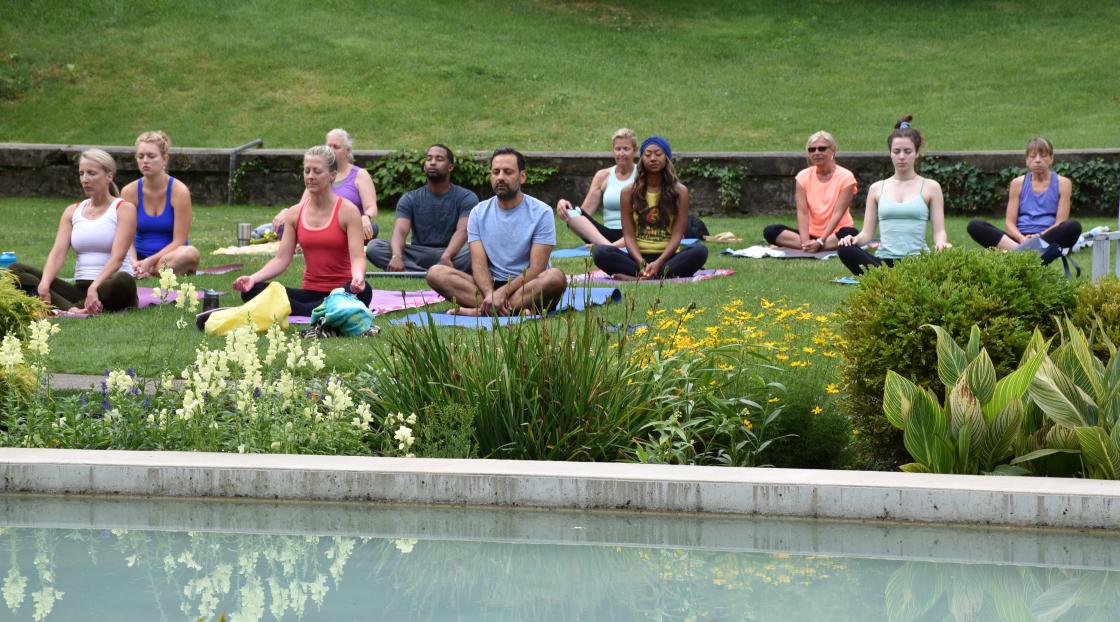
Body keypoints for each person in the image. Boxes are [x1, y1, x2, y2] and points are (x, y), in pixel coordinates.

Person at [233, 145, 371, 316]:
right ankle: (315, 310)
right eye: (307, 171)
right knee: (252, 290)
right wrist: (253, 278)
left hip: (342, 291)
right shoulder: (295, 213)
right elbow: (281, 259)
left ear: (332, 175)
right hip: (309, 293)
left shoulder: (348, 211)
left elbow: (357, 257)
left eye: (317, 171)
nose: (310, 176)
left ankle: (296, 310)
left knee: (364, 292)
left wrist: (358, 278)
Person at [426, 147, 566, 316]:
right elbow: (478, 266)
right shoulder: (478, 213)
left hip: (526, 286)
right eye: (495, 172)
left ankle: (481, 311)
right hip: (488, 288)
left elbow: (537, 269)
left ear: (522, 177)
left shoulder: (542, 212)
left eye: (508, 172)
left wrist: (503, 293)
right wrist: (491, 294)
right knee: (435, 273)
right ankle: (511, 309)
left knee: (555, 277)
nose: (500, 177)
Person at [9, 149, 137, 313]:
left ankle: (66, 307)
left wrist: (95, 287)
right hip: (80, 288)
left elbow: (118, 257)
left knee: (123, 280)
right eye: (81, 173)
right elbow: (57, 254)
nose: (85, 179)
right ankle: (74, 309)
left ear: (109, 176)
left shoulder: (124, 209)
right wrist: (45, 284)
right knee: (15, 269)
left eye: (91, 173)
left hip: (112, 285)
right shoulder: (72, 211)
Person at [837, 116, 950, 275]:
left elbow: (939, 231)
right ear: (890, 153)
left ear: (917, 153)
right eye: (896, 151)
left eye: (907, 151)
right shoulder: (877, 188)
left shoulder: (931, 187)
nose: (901, 157)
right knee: (845, 249)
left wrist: (941, 243)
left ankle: (890, 281)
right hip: (883, 262)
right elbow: (866, 234)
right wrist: (853, 240)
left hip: (918, 262)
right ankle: (889, 279)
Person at [591, 136, 709, 279]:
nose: (653, 158)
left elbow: (678, 235)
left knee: (700, 251)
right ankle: (654, 275)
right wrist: (641, 263)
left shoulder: (680, 192)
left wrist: (659, 262)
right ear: (642, 159)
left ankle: (639, 277)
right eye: (648, 155)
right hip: (636, 258)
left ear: (667, 158)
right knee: (600, 252)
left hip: (668, 258)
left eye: (658, 154)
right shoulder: (628, 192)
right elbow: (628, 236)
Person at [365, 144, 477, 273]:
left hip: (452, 254)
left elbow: (463, 231)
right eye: (429, 159)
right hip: (418, 253)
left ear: (450, 167)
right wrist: (397, 256)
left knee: (475, 249)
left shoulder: (466, 197)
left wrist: (447, 256)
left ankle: (417, 272)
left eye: (439, 159)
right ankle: (432, 273)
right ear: (424, 166)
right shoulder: (410, 198)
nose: (433, 163)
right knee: (374, 247)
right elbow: (400, 232)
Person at [966, 137, 1081, 251]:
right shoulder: (1017, 183)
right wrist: (1021, 238)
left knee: (1073, 227)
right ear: (1027, 160)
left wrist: (1038, 236)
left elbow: (1060, 222)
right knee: (975, 226)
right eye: (1033, 156)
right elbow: (1010, 223)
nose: (1038, 160)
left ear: (1051, 158)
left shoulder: (1063, 183)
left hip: (1047, 238)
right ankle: (1027, 251)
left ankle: (1022, 252)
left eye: (1043, 156)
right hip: (1018, 239)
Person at [271, 128, 379, 240]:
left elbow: (371, 207)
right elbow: (302, 206)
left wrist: (366, 217)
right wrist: (288, 213)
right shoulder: (318, 176)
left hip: (349, 226)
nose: (332, 150)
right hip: (317, 224)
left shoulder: (360, 175)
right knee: (282, 224)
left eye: (336, 147)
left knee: (371, 228)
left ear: (348, 150)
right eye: (329, 146)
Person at [120, 131, 200, 277]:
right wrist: (133, 261)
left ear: (164, 159)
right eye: (140, 156)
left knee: (191, 253)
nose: (145, 161)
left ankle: (151, 272)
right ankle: (142, 271)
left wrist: (151, 261)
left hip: (169, 257)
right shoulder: (129, 192)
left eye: (151, 156)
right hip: (138, 257)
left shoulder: (180, 191)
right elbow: (126, 238)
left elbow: (179, 241)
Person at [762, 131, 859, 252]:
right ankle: (812, 246)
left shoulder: (846, 177)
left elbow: (837, 214)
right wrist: (805, 241)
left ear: (833, 150)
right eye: (812, 150)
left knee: (850, 234)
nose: (816, 153)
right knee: (770, 231)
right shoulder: (802, 176)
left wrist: (820, 240)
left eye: (822, 149)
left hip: (836, 233)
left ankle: (818, 245)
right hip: (810, 234)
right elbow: (802, 212)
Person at [554, 128, 637, 246]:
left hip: (634, 234)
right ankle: (608, 246)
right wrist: (564, 205)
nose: (621, 153)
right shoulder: (603, 176)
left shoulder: (642, 175)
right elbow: (584, 212)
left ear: (634, 150)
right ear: (613, 151)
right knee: (570, 211)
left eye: (626, 149)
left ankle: (608, 247)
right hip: (605, 235)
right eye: (618, 149)